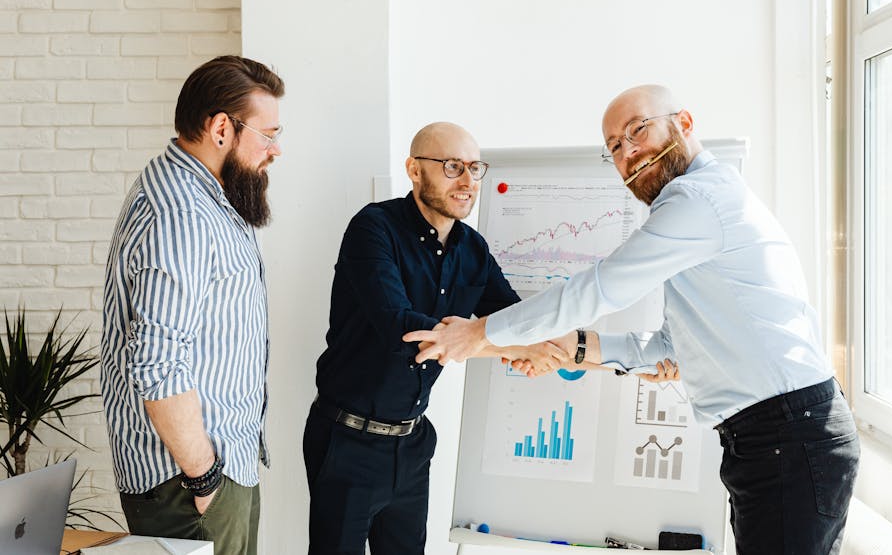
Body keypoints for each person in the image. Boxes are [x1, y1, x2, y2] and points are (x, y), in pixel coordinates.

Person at [405, 85, 860, 555]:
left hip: (788, 436)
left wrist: (477, 333)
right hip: (772, 441)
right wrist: (577, 349)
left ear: (683, 123)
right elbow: (669, 346)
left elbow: (599, 288)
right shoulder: (697, 210)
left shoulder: (696, 200)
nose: (628, 152)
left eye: (637, 130)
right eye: (615, 147)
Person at [303, 122, 572, 555]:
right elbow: (402, 329)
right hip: (348, 442)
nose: (467, 181)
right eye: (452, 167)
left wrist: (563, 344)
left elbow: (514, 319)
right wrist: (515, 346)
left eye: (474, 168)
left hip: (413, 445)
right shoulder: (374, 228)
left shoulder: (473, 249)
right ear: (414, 169)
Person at [100, 55, 285, 555]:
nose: (276, 149)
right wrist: (205, 481)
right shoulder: (181, 216)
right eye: (267, 134)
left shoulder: (211, 198)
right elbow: (158, 364)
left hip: (218, 468)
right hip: (189, 484)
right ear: (221, 128)